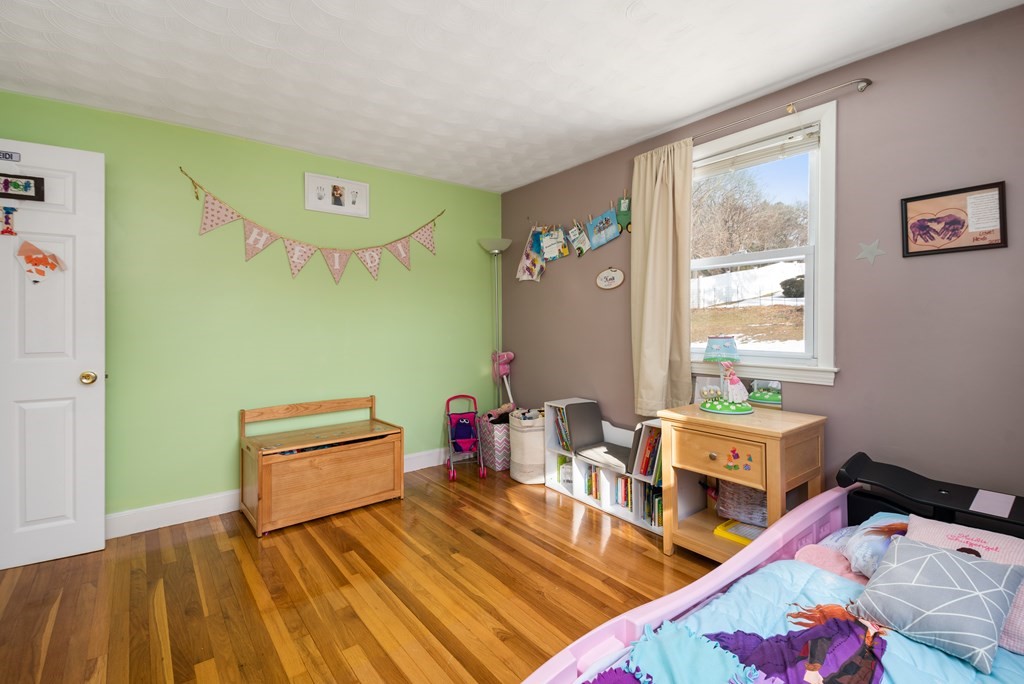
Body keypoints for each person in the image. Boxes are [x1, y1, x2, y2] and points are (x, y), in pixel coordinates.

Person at [705, 602, 887, 683]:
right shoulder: (843, 627)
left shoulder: (878, 647)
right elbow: (815, 642)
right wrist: (813, 669)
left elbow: (868, 674)